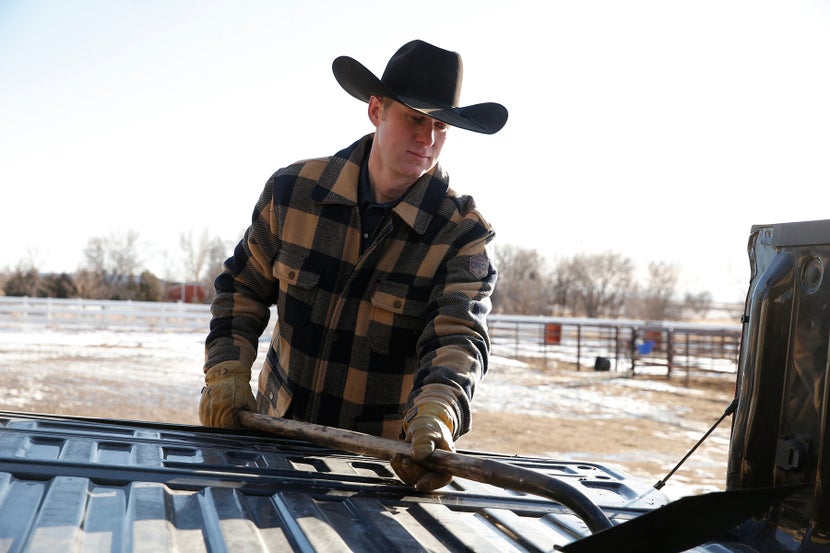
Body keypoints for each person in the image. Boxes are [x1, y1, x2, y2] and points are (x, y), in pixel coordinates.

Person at [199, 39, 507, 491]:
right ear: (376, 110)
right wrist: (225, 371)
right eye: (415, 118)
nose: (428, 138)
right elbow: (240, 288)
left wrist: (439, 414)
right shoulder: (293, 191)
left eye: (442, 126)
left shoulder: (461, 232)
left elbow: (458, 337)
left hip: (374, 468)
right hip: (270, 441)